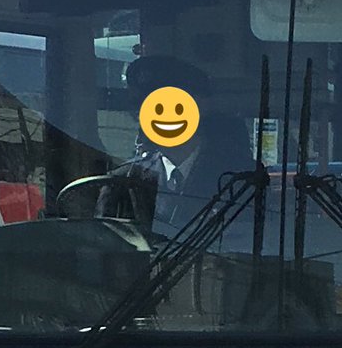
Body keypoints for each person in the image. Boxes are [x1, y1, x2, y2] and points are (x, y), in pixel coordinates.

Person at [96, 54, 254, 235]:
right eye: (144, 108)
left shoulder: (240, 178)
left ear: (199, 106)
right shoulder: (123, 181)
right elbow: (101, 245)